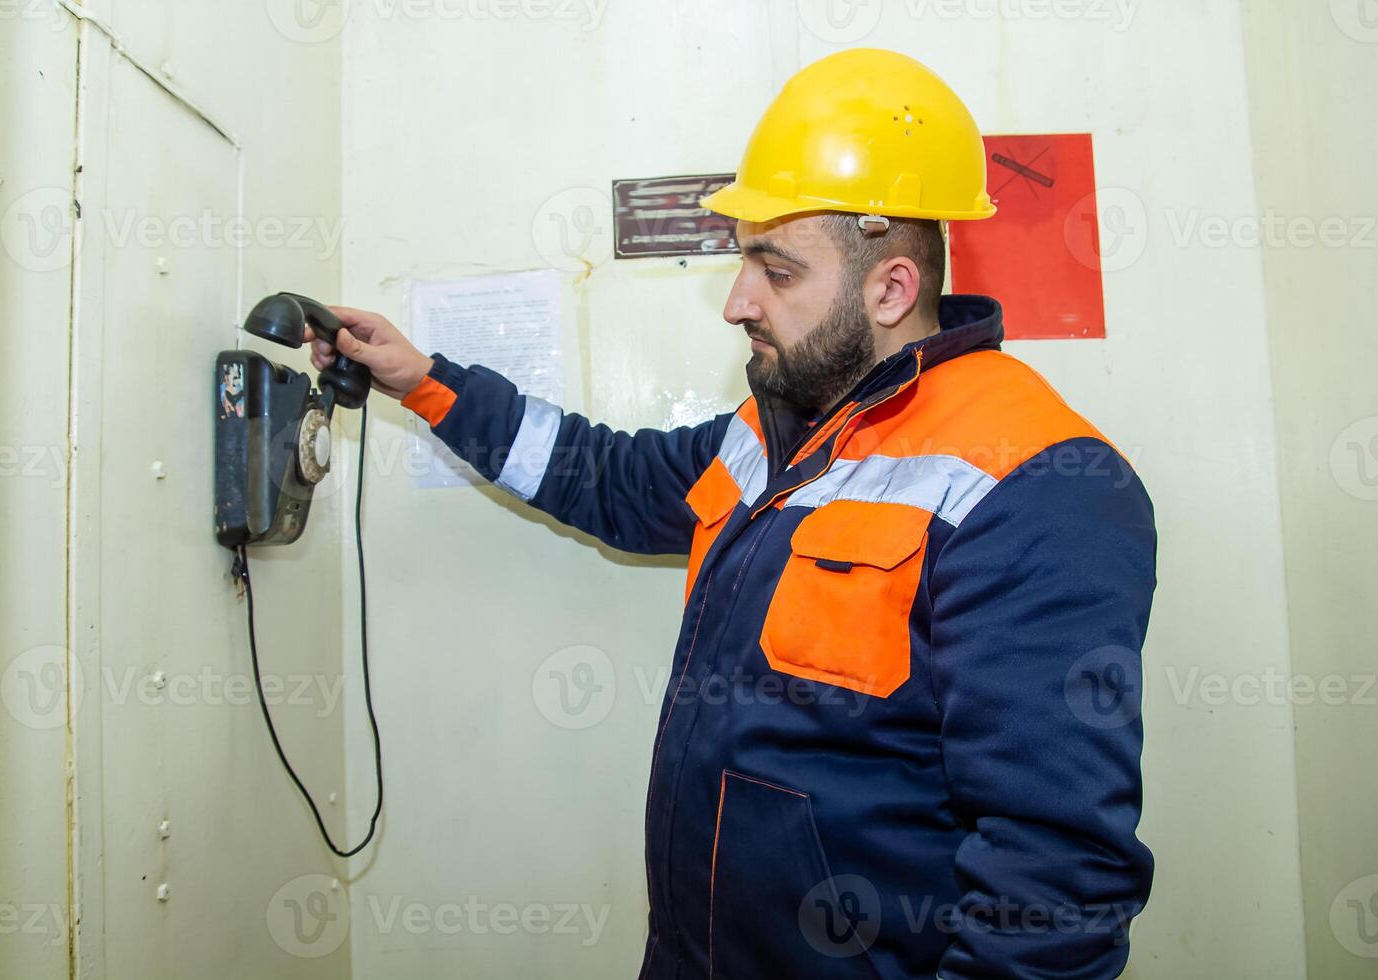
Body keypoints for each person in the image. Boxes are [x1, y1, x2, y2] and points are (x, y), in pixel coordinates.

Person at [309, 48, 1155, 980]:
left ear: (892, 289)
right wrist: (428, 385)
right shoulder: (781, 426)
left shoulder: (1041, 483)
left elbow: (1056, 883)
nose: (736, 302)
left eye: (776, 269)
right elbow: (608, 478)